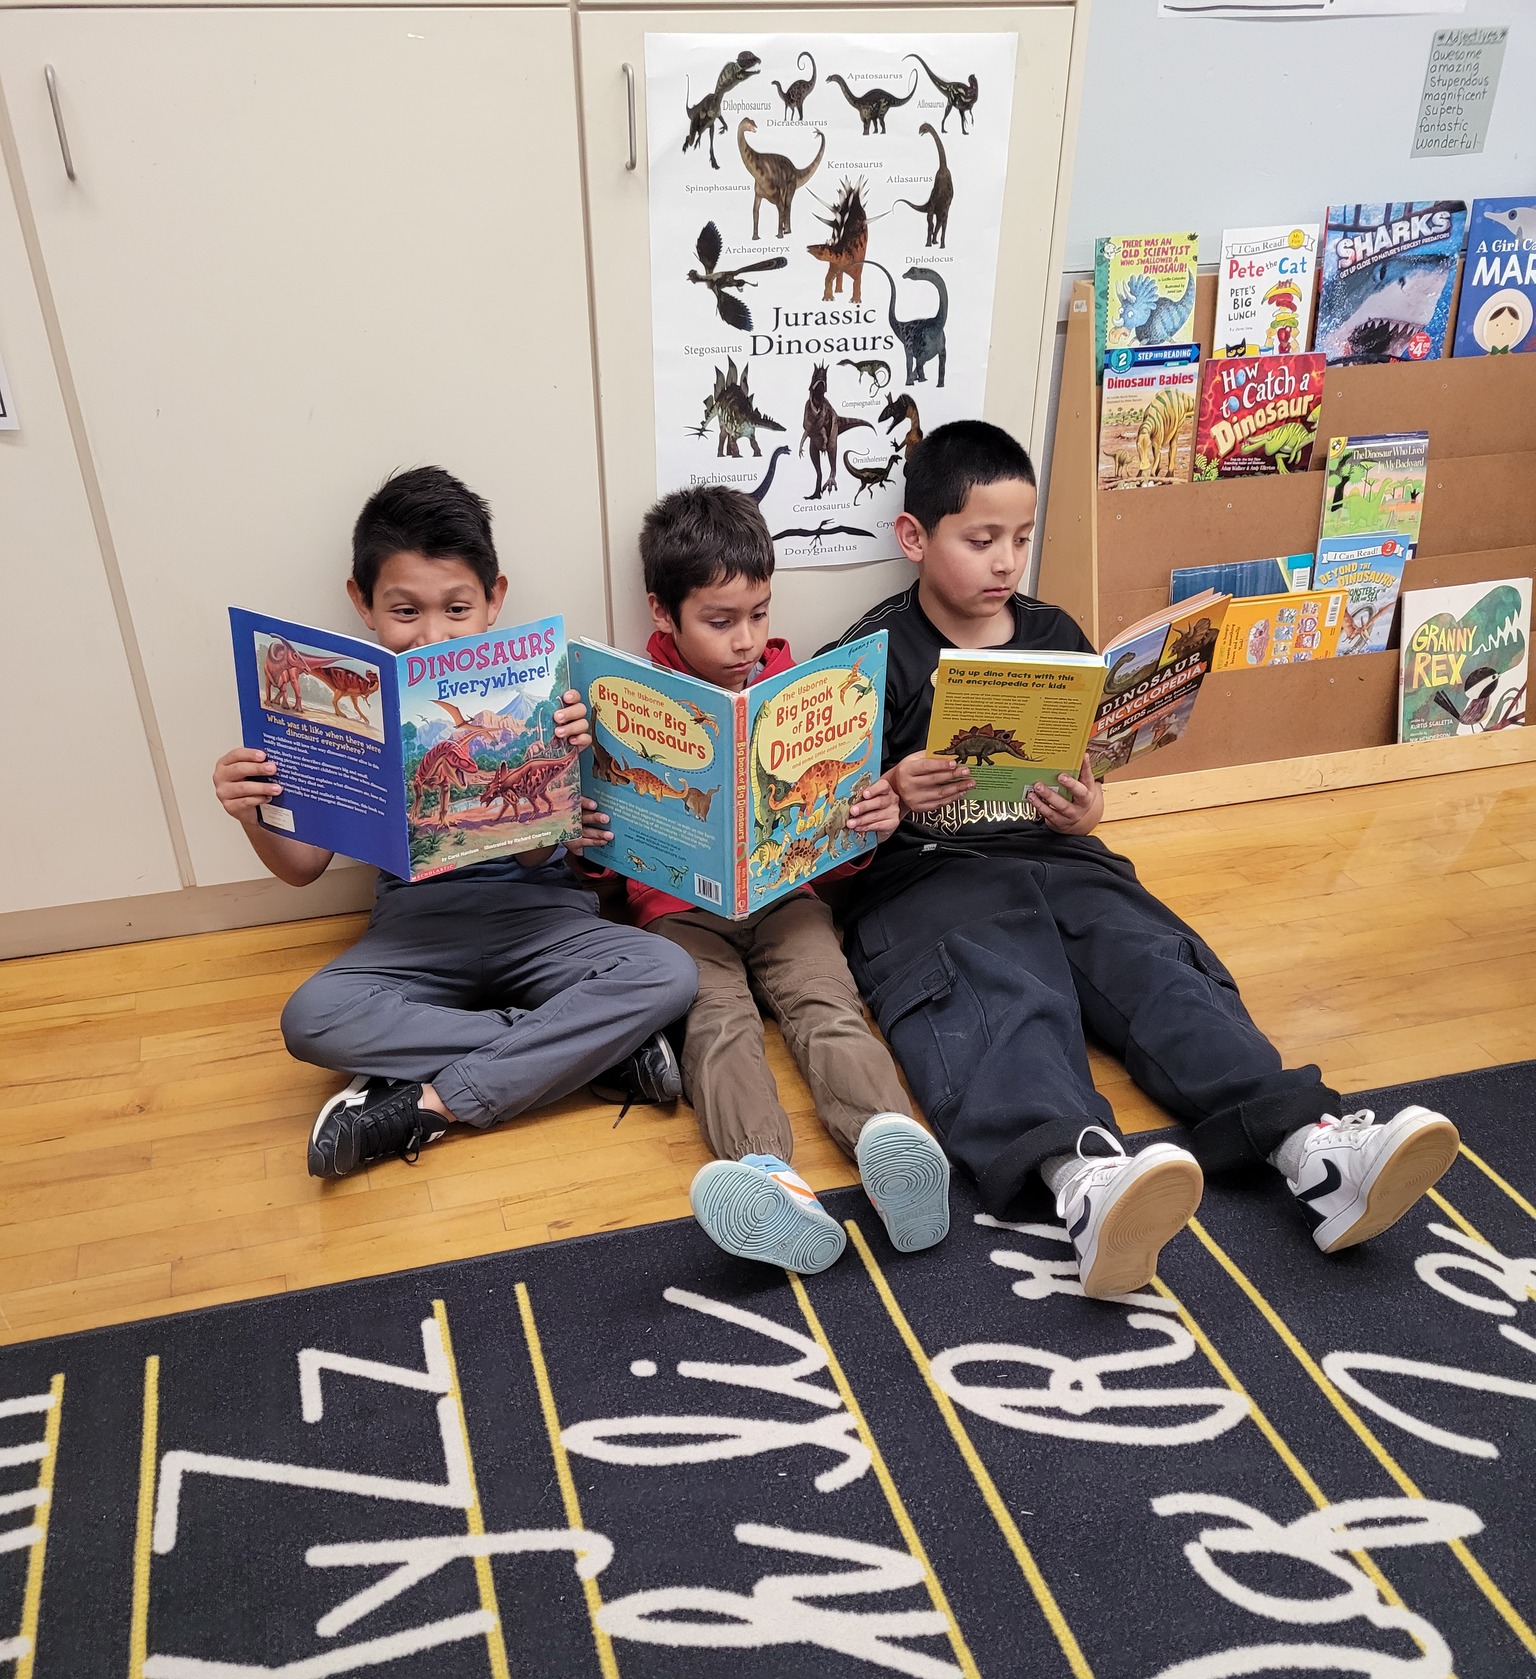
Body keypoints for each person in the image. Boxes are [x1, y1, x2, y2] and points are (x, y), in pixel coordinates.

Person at [822, 421, 1458, 1298]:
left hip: (1054, 853)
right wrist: (890, 794)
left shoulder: (1052, 630)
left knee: (1153, 963)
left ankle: (1312, 1147)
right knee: (998, 991)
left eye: (1019, 537)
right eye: (980, 540)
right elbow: (818, 825)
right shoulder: (864, 660)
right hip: (927, 877)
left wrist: (1089, 808)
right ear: (915, 538)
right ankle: (1081, 1180)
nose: (1005, 561)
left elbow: (1086, 770)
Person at [212, 466, 698, 1177]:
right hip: (414, 931)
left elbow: (538, 861)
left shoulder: (540, 693)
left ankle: (426, 1104)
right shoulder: (340, 715)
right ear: (363, 603)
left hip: (540, 916)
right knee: (310, 1017)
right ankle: (589, 1051)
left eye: (457, 609)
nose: (432, 634)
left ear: (494, 599)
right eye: (405, 611)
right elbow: (302, 869)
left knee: (667, 971)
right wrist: (251, 811)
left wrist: (561, 769)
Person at [620, 484, 950, 1274]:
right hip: (680, 911)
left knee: (828, 1003)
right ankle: (767, 1179)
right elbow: (602, 843)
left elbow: (836, 824)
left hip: (787, 897)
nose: (745, 640)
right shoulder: (627, 699)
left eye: (759, 614)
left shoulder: (800, 692)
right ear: (662, 612)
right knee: (717, 1024)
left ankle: (888, 1143)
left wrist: (872, 820)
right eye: (720, 620)